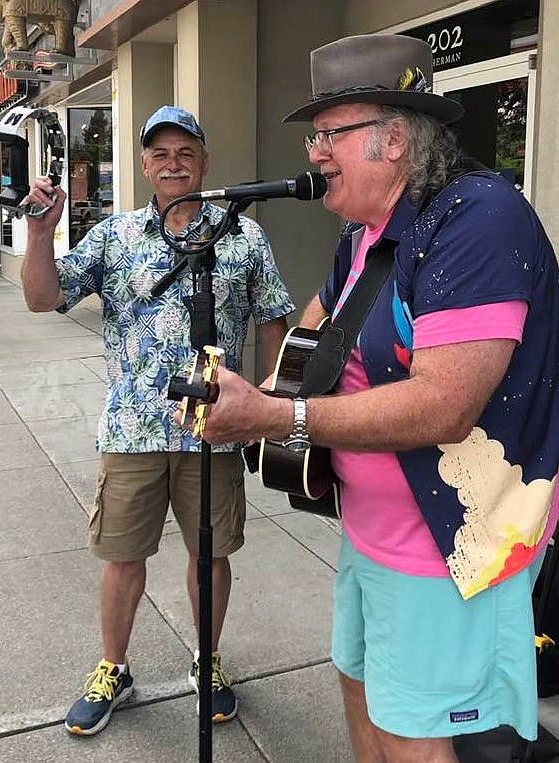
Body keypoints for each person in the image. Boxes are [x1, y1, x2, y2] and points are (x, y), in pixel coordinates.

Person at [181, 35, 559, 763]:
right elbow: (319, 331)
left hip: (450, 538)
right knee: (361, 687)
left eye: (330, 134)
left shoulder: (478, 218)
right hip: (373, 528)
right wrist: (245, 396)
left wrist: (280, 416)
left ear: (393, 138)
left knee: (413, 732)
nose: (315, 153)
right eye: (315, 137)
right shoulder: (366, 230)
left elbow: (444, 406)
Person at [20, 105, 294, 736]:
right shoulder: (115, 238)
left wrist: (273, 395)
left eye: (186, 153)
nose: (174, 164)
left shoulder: (242, 237)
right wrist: (38, 234)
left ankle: (208, 659)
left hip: (215, 430)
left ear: (204, 163)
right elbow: (42, 297)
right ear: (144, 165)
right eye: (161, 154)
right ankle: (112, 667)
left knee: (211, 555)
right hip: (132, 430)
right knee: (122, 556)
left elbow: (276, 312)